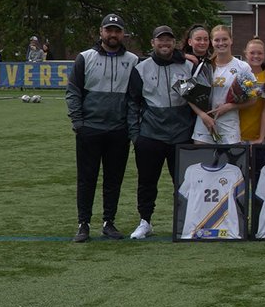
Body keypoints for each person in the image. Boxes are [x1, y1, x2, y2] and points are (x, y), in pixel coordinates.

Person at [66, 13, 138, 242]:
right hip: (90, 129)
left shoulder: (133, 61)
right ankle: (83, 223)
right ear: (101, 32)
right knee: (86, 178)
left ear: (123, 33)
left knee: (113, 179)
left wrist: (130, 126)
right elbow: (73, 91)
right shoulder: (84, 58)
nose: (113, 34)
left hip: (118, 130)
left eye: (117, 30)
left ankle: (108, 222)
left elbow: (135, 98)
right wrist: (78, 123)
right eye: (109, 30)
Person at [126, 25, 196, 240]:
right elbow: (132, 103)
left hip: (181, 135)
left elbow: (195, 101)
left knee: (184, 183)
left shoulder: (186, 66)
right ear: (152, 43)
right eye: (160, 40)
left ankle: (186, 222)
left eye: (168, 40)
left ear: (174, 42)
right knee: (147, 182)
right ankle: (145, 221)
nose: (164, 44)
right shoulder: (141, 68)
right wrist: (135, 136)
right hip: (150, 135)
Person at [189, 25, 252, 145]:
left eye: (224, 39)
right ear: (212, 42)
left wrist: (230, 107)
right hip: (204, 126)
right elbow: (188, 93)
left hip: (229, 127)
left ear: (231, 40)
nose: (221, 43)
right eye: (217, 40)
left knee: (230, 163)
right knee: (202, 163)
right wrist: (203, 115)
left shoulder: (242, 67)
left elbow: (253, 99)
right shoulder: (205, 65)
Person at [238, 39, 265, 143]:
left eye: (260, 53)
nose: (256, 56)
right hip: (237, 133)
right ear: (245, 53)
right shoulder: (238, 73)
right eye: (252, 53)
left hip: (261, 135)